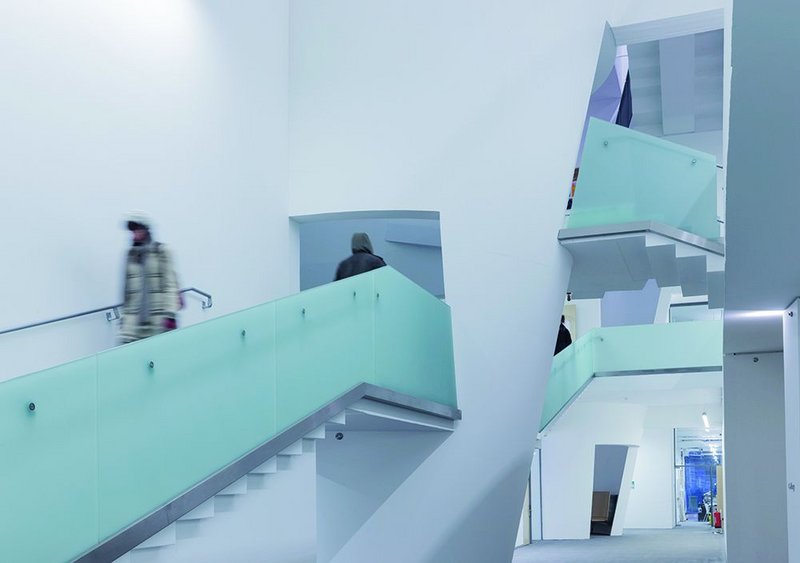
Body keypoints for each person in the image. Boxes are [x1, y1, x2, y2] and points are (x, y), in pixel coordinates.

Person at [119, 212, 181, 344]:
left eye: (138, 230)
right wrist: (123, 317)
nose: (134, 234)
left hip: (157, 320)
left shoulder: (162, 251)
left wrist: (170, 315)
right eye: (133, 231)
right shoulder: (130, 255)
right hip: (133, 322)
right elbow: (125, 291)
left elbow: (170, 285)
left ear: (146, 230)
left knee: (159, 357)